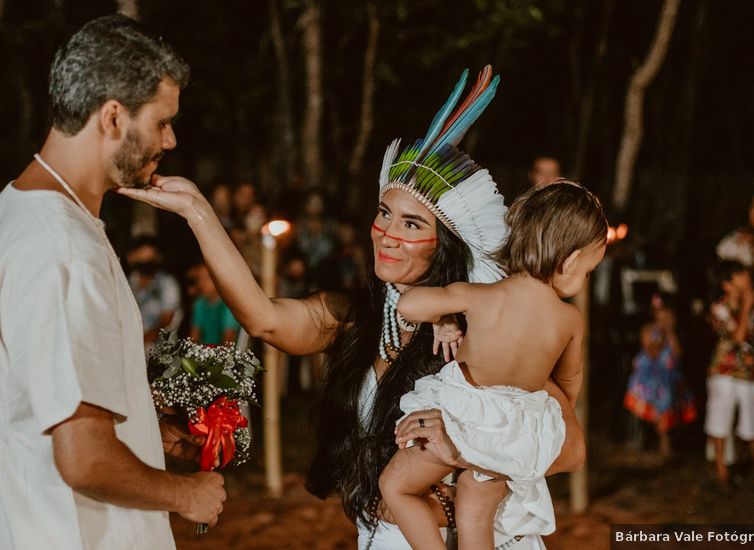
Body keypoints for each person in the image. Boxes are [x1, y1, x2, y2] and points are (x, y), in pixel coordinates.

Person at [120, 66, 585, 550]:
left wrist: (466, 445)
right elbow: (264, 318)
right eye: (384, 214)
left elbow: (570, 448)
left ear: (445, 245)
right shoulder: (352, 316)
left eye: (411, 225)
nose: (387, 234)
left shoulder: (482, 329)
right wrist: (199, 212)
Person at [0, 15, 225, 550]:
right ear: (114, 117)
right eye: (162, 120)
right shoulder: (63, 247)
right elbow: (85, 457)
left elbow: (39, 402)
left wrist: (142, 430)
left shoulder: (15, 208)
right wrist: (187, 495)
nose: (171, 137)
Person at [379, 181, 605, 550]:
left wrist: (445, 314)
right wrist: (541, 421)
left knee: (395, 486)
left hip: (463, 414)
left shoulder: (482, 297)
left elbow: (408, 306)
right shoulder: (570, 320)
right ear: (570, 261)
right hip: (512, 434)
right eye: (588, 271)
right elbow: (569, 382)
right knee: (476, 514)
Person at [705, 260, 754, 487]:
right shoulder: (719, 307)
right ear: (727, 284)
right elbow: (739, 336)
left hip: (750, 372)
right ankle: (722, 472)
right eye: (740, 276)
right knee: (720, 420)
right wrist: (746, 306)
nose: (747, 278)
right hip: (724, 371)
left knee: (753, 422)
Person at [623, 294, 697, 457]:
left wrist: (670, 332)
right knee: (662, 394)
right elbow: (652, 352)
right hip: (648, 377)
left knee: (669, 392)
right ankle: (663, 437)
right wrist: (662, 334)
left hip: (671, 376)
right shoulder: (648, 329)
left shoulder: (676, 333)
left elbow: (678, 354)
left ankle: (667, 435)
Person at [126, 235, 184, 348]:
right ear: (131, 257)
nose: (147, 262)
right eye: (142, 257)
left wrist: (138, 343)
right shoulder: (126, 282)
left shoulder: (167, 283)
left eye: (151, 257)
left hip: (156, 347)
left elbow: (166, 323)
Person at [188, 263, 240, 345]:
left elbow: (228, 341)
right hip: (201, 352)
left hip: (219, 353)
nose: (201, 283)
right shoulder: (199, 303)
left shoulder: (227, 305)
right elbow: (193, 337)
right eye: (199, 278)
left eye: (206, 278)